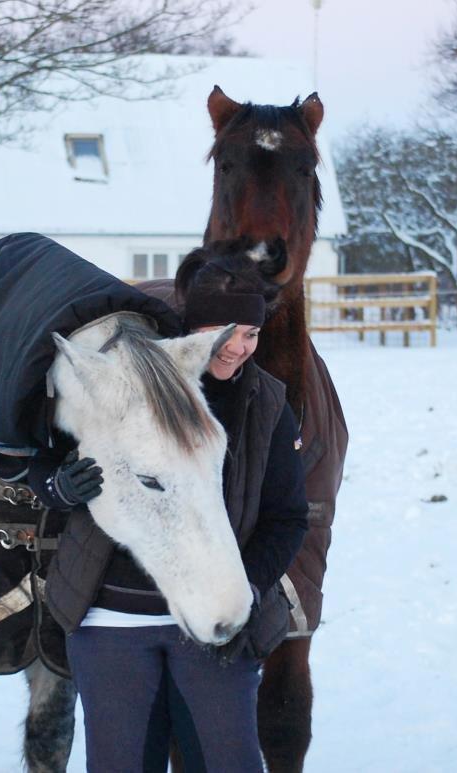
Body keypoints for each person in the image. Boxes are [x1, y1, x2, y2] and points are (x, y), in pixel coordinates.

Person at [34, 244, 310, 772]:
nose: (235, 348)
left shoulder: (268, 404)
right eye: (219, 332)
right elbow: (35, 456)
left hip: (214, 626)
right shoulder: (124, 381)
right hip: (110, 619)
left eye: (250, 333)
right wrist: (57, 487)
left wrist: (242, 588)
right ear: (189, 329)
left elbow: (287, 518)